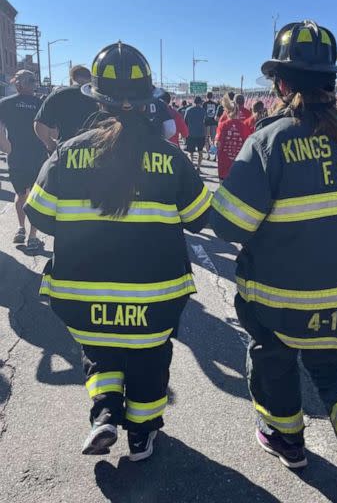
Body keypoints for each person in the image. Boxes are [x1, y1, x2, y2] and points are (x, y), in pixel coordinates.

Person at [211, 21, 337, 503]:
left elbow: (230, 225)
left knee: (272, 364)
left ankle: (286, 440)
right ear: (332, 82)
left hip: (279, 307)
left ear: (281, 82)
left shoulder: (269, 142)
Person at [24, 42, 212, 461]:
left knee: (99, 349)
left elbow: (38, 216)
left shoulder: (67, 153)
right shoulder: (171, 157)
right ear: (149, 100)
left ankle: (104, 414)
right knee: (148, 357)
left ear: (97, 97)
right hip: (154, 298)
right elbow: (200, 218)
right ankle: (142, 435)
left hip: (82, 297)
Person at [0, 70, 47, 251]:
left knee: (21, 195)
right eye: (31, 81)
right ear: (19, 83)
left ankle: (22, 229)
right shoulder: (41, 103)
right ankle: (32, 236)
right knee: (34, 197)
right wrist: (50, 145)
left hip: (17, 157)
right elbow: (50, 128)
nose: (33, 84)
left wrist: (6, 148)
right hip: (37, 157)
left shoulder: (5, 103)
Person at [34, 65, 97, 151]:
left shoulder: (58, 94)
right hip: (94, 150)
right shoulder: (98, 96)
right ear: (91, 78)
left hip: (67, 151)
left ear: (71, 78)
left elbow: (40, 125)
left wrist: (51, 145)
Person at [215, 95, 249, 181]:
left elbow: (217, 143)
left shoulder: (223, 125)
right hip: (240, 162)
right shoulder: (244, 126)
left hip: (224, 162)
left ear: (227, 111)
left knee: (223, 190)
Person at [184, 96, 206, 171]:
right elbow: (205, 122)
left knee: (191, 152)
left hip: (190, 134)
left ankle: (192, 166)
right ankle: (198, 167)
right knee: (200, 152)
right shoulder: (203, 110)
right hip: (201, 133)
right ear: (200, 103)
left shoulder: (188, 110)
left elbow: (185, 122)